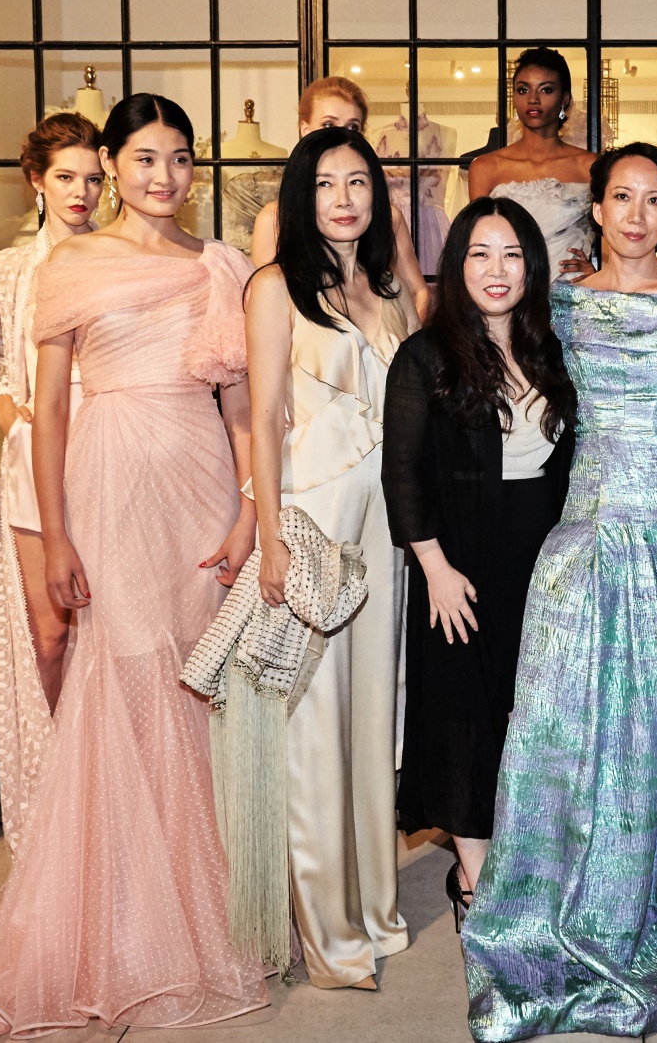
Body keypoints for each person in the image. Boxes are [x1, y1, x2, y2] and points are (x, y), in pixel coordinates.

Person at [0, 95, 266, 1037]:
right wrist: (59, 534)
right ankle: (117, 919)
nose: (165, 176)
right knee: (121, 679)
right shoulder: (70, 262)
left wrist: (248, 513)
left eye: (181, 158)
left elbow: (241, 409)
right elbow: (48, 413)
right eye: (146, 158)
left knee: (197, 686)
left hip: (200, 481)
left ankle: (201, 915)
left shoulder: (220, 263)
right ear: (112, 163)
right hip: (108, 480)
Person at [461, 145, 657, 1040]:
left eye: (653, 199)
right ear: (596, 207)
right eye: (621, 197)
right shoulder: (561, 297)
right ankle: (566, 884)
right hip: (592, 522)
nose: (637, 213)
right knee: (566, 715)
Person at [244, 125, 418, 990]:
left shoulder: (389, 291)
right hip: (313, 520)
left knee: (371, 716)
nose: (345, 198)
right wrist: (268, 533)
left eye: (359, 182)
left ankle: (373, 906)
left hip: (384, 526)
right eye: (326, 184)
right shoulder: (273, 286)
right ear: (301, 197)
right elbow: (263, 416)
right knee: (313, 726)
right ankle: (327, 935)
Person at [383, 197, 578, 924]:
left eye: (512, 255)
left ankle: (530, 861)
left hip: (544, 559)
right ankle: (474, 878)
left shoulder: (552, 351)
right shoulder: (426, 355)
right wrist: (433, 566)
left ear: (532, 265)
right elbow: (402, 475)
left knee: (530, 713)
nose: (497, 271)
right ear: (457, 263)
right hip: (458, 561)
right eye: (479, 254)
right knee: (464, 713)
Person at [0, 111, 103, 849]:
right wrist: (7, 416)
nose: (80, 191)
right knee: (49, 636)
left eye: (92, 177)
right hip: (33, 457)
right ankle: (58, 797)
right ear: (36, 181)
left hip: (106, 449)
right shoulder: (14, 267)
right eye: (65, 177)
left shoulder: (120, 259)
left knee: (105, 631)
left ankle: (101, 786)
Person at [247, 75, 430, 318]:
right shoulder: (274, 218)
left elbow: (419, 294)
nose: (342, 135)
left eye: (353, 126)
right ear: (305, 129)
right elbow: (263, 308)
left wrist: (405, 346)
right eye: (329, 126)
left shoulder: (387, 217)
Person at [466, 49, 597, 279]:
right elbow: (478, 244)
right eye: (523, 90)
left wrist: (596, 274)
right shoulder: (486, 168)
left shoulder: (590, 166)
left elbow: (614, 238)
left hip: (571, 290)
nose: (533, 99)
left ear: (564, 99)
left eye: (546, 90)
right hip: (507, 285)